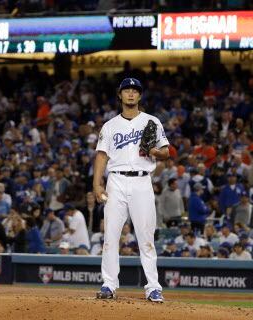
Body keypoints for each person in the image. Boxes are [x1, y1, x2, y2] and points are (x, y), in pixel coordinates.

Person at [93, 78, 169, 302]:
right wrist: (97, 184)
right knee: (111, 236)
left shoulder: (152, 122)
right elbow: (101, 156)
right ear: (120, 95)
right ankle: (109, 285)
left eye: (135, 90)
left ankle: (153, 287)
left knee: (146, 237)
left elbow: (166, 152)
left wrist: (153, 151)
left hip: (142, 181)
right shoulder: (110, 126)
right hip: (115, 181)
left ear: (140, 96)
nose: (131, 94)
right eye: (127, 90)